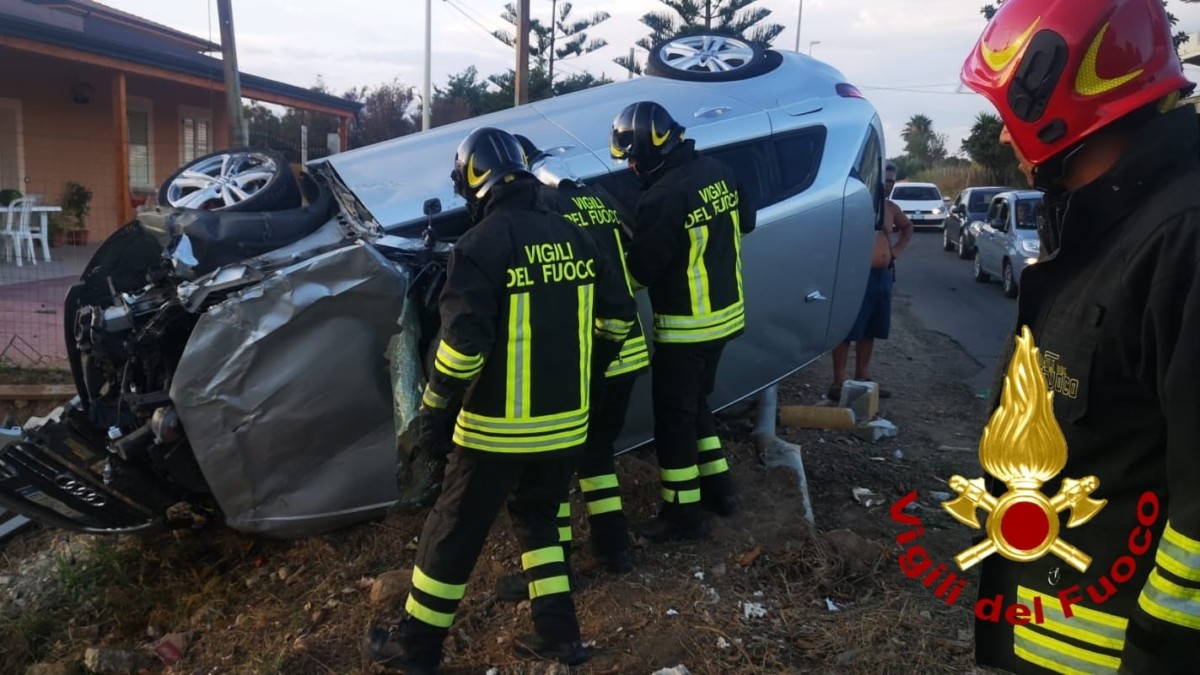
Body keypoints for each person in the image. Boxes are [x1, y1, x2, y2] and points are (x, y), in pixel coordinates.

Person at [961, 1, 1200, 672]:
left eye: (1007, 111)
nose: (1003, 136)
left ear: (1052, 94)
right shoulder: (1100, 224)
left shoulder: (1181, 240)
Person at [365, 127, 636, 673]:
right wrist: (590, 374)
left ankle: (417, 649)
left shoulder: (479, 245)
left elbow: (462, 348)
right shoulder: (577, 236)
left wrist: (435, 412)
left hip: (496, 430)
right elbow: (619, 318)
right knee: (540, 521)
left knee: (452, 532)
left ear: (473, 180)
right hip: (567, 424)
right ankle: (560, 636)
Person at [610, 100, 756, 541]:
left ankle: (681, 514)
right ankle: (721, 492)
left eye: (634, 158)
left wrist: (607, 270)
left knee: (673, 421)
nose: (631, 167)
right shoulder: (721, 171)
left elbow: (642, 271)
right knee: (696, 407)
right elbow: (746, 222)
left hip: (687, 328)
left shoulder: (663, 196)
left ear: (652, 150)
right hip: (726, 319)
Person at [828, 162, 913, 402]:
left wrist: (896, 250)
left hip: (883, 277)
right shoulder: (856, 204)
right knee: (847, 328)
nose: (888, 184)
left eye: (892, 181)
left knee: (871, 329)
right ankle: (839, 382)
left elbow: (907, 227)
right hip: (857, 276)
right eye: (885, 180)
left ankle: (863, 378)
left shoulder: (891, 208)